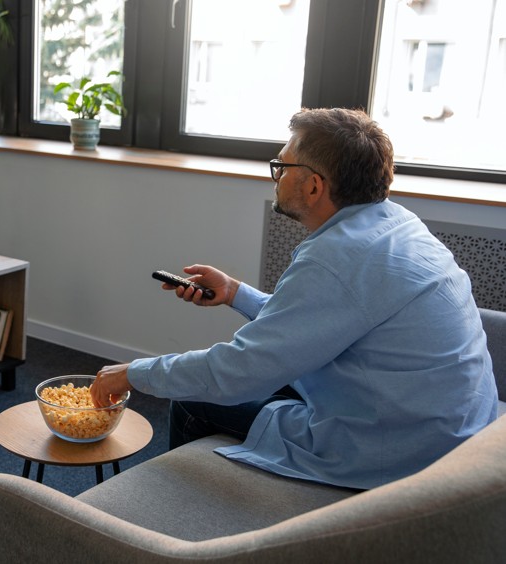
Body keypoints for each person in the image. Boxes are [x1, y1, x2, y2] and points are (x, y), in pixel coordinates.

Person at [91, 108, 498, 490]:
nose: (276, 176)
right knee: (270, 380)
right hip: (454, 428)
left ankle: (179, 516)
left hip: (401, 450)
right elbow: (310, 325)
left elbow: (237, 372)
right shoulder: (397, 224)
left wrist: (133, 373)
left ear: (314, 185)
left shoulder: (335, 258)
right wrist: (235, 293)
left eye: (282, 167)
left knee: (192, 399)